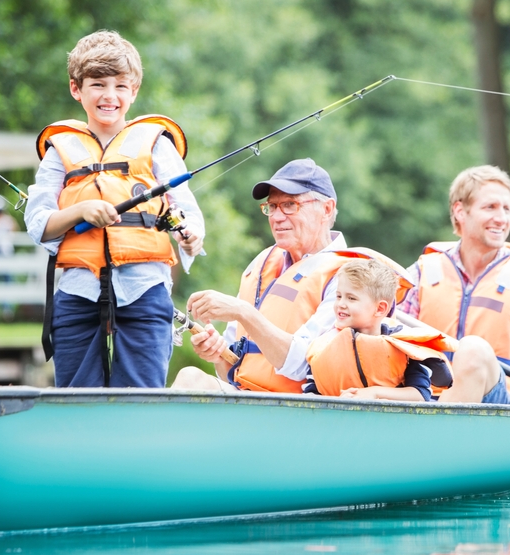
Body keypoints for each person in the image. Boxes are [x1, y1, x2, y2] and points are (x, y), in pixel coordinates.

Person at [25, 30, 204, 388]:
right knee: (77, 399)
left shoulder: (156, 144)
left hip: (145, 287)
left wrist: (191, 236)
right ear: (77, 89)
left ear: (134, 90)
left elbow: (187, 210)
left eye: (121, 86)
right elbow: (39, 223)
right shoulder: (59, 151)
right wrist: (81, 211)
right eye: (98, 85)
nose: (110, 96)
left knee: (141, 395)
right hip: (78, 290)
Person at [173, 158, 382, 394]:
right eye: (272, 206)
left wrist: (243, 311)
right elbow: (230, 372)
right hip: (250, 400)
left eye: (290, 205)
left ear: (326, 209)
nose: (277, 217)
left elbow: (302, 364)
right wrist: (217, 355)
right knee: (190, 378)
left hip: (304, 408)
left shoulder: (351, 277)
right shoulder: (262, 263)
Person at [400, 165, 510, 405]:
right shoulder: (422, 273)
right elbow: (393, 348)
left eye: (507, 209)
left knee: (473, 349)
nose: (502, 218)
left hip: (501, 406)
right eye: (490, 207)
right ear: (460, 211)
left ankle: (440, 429)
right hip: (426, 400)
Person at [304, 259, 453, 402]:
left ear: (380, 308)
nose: (340, 304)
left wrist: (374, 393)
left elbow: (420, 394)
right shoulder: (324, 346)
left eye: (351, 298)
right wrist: (340, 400)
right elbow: (312, 394)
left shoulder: (403, 347)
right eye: (338, 296)